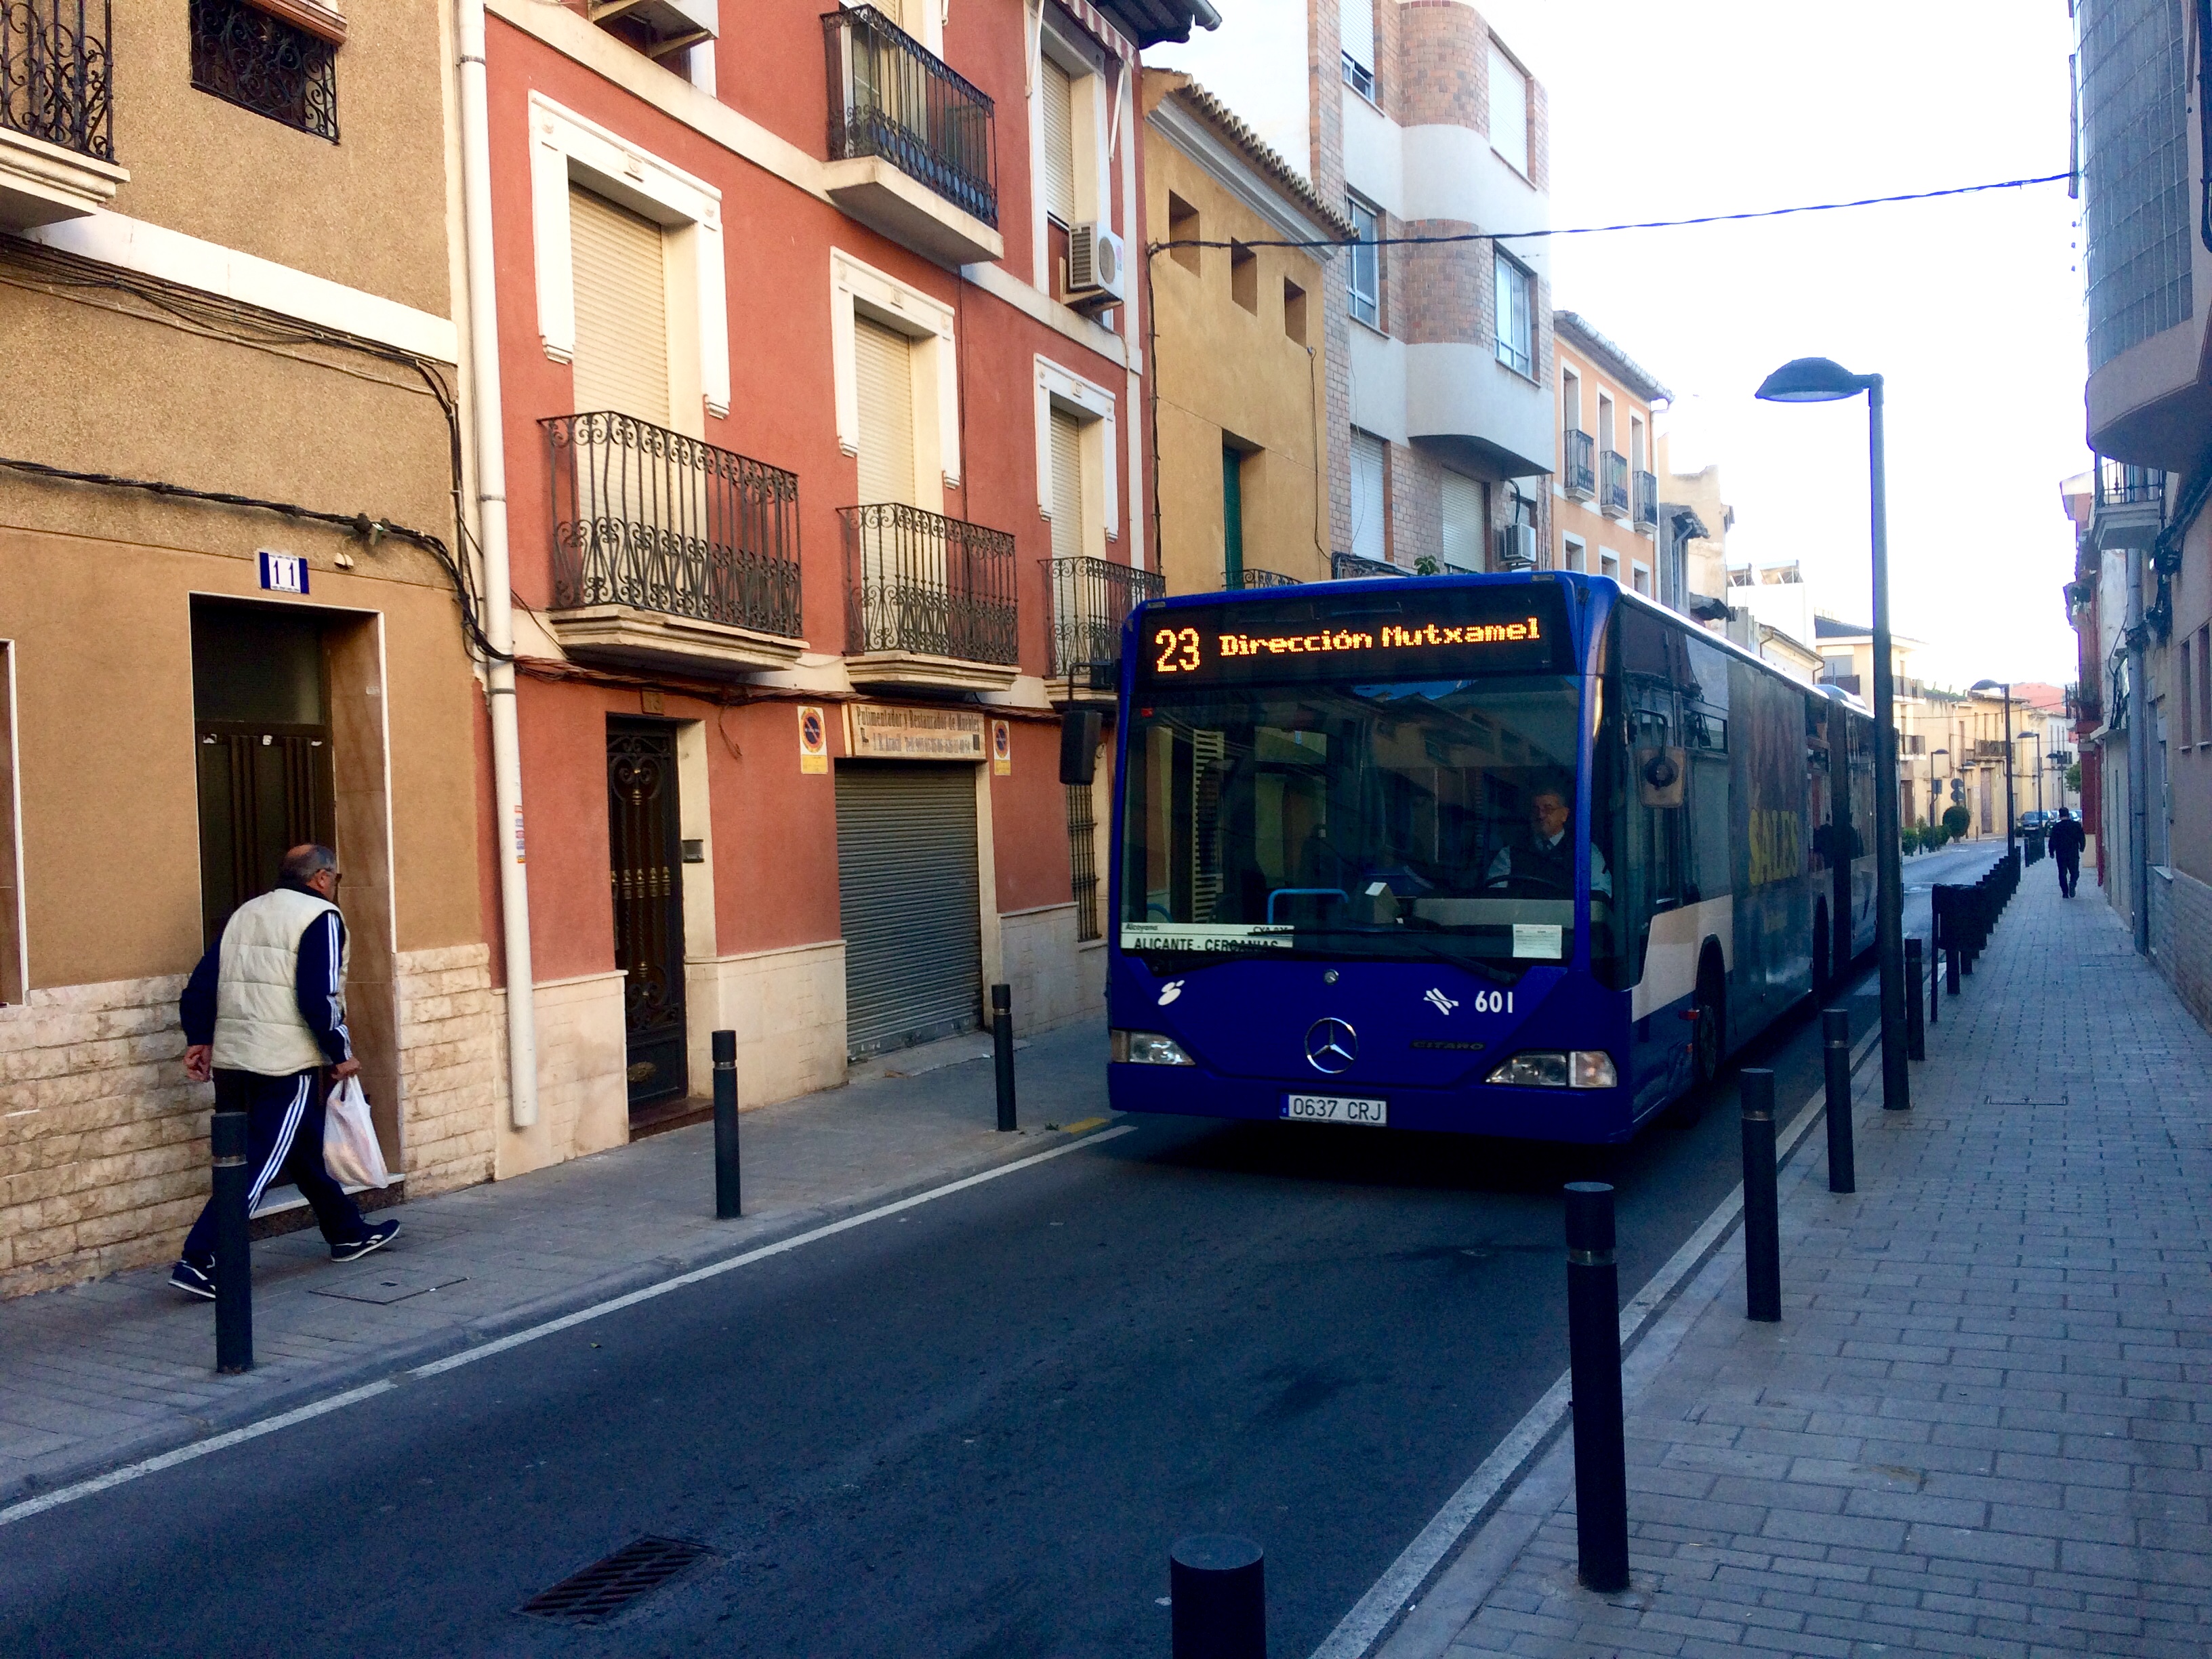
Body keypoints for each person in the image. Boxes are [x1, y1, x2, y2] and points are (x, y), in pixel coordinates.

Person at [170, 844, 399, 1300]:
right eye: (335, 878)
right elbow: (320, 996)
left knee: (300, 1147)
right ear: (320, 878)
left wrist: (198, 1037)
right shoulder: (322, 918)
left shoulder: (245, 913)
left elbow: (202, 980)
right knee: (259, 1160)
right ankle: (201, 1257)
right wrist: (340, 1052)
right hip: (284, 1060)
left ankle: (346, 1231)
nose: (335, 886)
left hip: (235, 1060)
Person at [1486, 777, 1612, 897]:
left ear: (1564, 814)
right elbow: (1495, 898)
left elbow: (1599, 898)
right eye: (1535, 809)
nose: (1540, 816)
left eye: (1548, 809)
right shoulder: (1510, 854)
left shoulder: (1586, 853)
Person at [2048, 806, 2085, 899]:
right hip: (2073, 852)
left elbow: (2052, 840)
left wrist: (2051, 852)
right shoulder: (2076, 825)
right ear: (2068, 815)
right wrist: (2082, 847)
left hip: (2061, 854)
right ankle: (2073, 883)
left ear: (2060, 816)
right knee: (2075, 871)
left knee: (2062, 873)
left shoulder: (2057, 827)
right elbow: (2081, 837)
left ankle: (2065, 892)